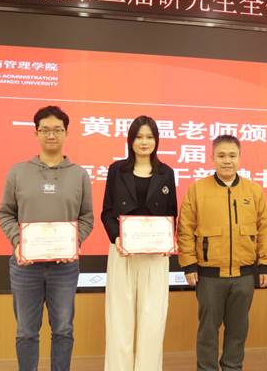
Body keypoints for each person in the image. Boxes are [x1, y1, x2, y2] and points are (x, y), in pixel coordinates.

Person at [0, 105, 94, 371]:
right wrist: (18, 242)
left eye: (57, 130)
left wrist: (74, 242)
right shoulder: (18, 172)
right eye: (45, 130)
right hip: (25, 267)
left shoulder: (79, 174)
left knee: (63, 329)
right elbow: (5, 213)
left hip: (65, 268)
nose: (51, 135)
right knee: (26, 332)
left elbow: (87, 217)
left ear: (66, 133)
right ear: (36, 133)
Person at [177, 134, 267, 371]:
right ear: (212, 158)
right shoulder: (197, 190)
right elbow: (185, 229)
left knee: (238, 330)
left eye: (232, 155)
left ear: (240, 158)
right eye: (221, 155)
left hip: (244, 276)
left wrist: (265, 264)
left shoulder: (254, 191)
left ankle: (232, 367)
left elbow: (265, 229)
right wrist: (189, 264)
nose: (227, 161)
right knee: (208, 331)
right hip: (209, 276)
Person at [101, 115, 177, 371]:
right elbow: (107, 212)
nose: (144, 142)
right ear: (130, 140)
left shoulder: (166, 173)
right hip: (121, 253)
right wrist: (117, 238)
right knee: (119, 320)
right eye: (139, 137)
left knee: (152, 321)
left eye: (149, 137)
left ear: (157, 140)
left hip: (156, 257)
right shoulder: (116, 170)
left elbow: (172, 214)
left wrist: (167, 241)